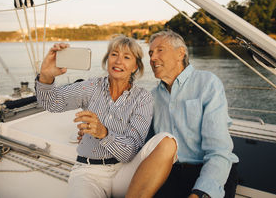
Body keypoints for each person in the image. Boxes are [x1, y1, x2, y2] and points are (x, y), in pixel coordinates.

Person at [35, 35, 174, 198]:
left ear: (135, 66)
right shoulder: (91, 86)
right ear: (108, 59)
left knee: (167, 141)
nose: (118, 61)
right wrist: (46, 76)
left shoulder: (142, 98)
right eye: (114, 54)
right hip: (88, 172)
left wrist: (103, 133)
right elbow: (51, 103)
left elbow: (130, 152)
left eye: (126, 57)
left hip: (125, 170)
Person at [126, 30, 239, 198]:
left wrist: (201, 193)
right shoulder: (152, 97)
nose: (152, 58)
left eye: (159, 50)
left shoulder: (207, 83)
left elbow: (219, 150)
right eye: (150, 53)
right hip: (168, 173)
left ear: (180, 53)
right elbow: (140, 141)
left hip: (206, 169)